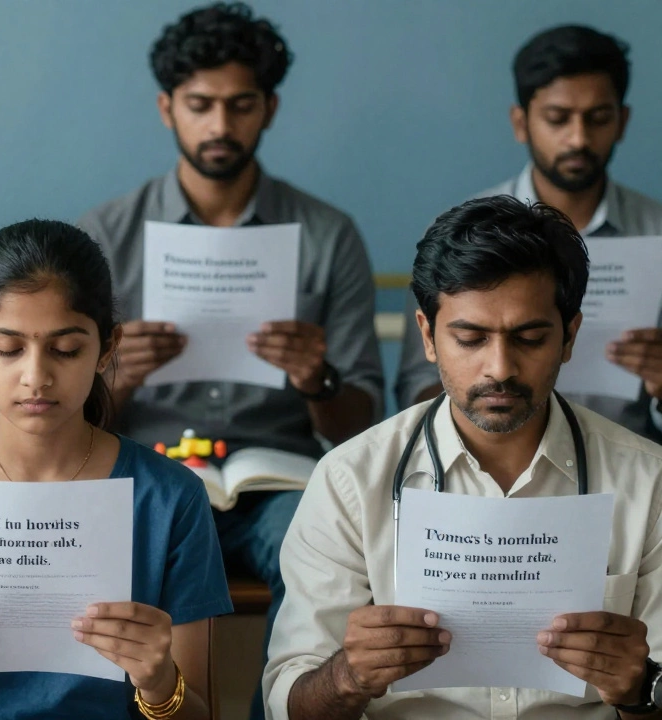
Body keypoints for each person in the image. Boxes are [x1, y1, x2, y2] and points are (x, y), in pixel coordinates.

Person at [77, 5, 383, 715]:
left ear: (269, 108)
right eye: (200, 105)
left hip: (279, 482)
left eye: (241, 105)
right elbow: (66, 417)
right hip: (148, 473)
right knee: (102, 564)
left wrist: (317, 378)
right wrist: (119, 377)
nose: (220, 125)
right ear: (167, 108)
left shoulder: (328, 234)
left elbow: (361, 425)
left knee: (320, 549)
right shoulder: (106, 235)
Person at [267, 195, 662, 719]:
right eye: (471, 339)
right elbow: (287, 704)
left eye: (529, 338)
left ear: (570, 337)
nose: (499, 368)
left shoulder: (648, 481)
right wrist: (347, 677)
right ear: (428, 336)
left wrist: (643, 690)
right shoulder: (350, 481)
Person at [0, 219, 233, 719]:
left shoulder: (170, 497)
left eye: (66, 350)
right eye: (8, 350)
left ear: (107, 348)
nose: (36, 377)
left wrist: (159, 683)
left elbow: (199, 710)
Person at [396, 24, 662, 441]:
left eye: (598, 118)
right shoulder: (458, 235)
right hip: (487, 459)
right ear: (521, 122)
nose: (578, 138)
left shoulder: (658, 233)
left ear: (622, 121)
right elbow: (417, 392)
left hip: (631, 457)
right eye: (558, 118)